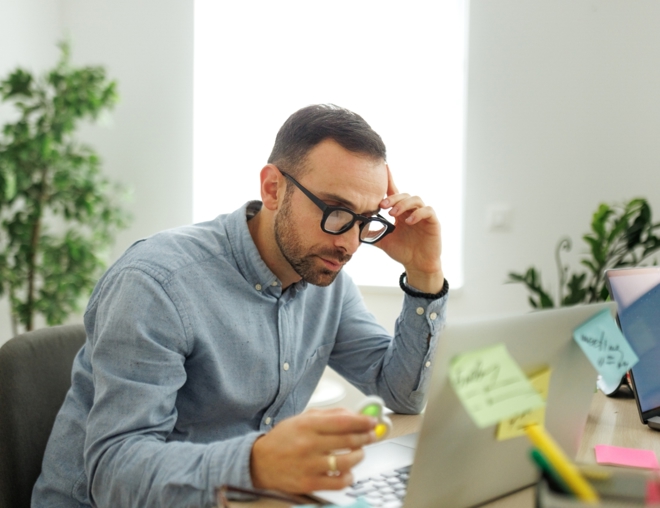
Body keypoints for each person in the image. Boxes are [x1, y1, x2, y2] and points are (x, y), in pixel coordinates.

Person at [32, 104, 448, 507]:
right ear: (273, 188)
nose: (350, 243)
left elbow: (402, 393)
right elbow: (114, 478)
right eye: (336, 212)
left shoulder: (326, 279)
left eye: (365, 220)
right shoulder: (156, 284)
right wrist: (255, 464)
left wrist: (424, 272)